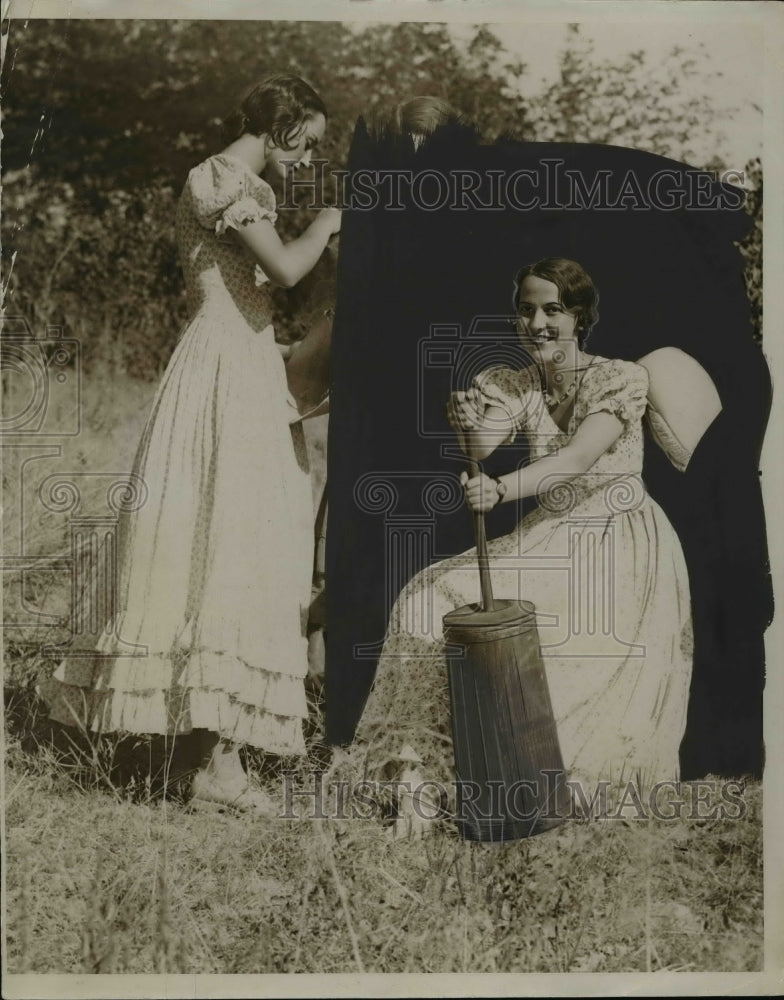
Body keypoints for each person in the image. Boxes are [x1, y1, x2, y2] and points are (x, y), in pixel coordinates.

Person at [39, 74, 342, 813]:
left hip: (243, 360)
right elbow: (285, 267)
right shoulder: (221, 178)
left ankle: (205, 755)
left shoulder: (243, 185)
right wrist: (333, 218)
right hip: (222, 370)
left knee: (234, 544)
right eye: (308, 144)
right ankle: (212, 766)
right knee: (227, 545)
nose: (307, 162)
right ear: (284, 126)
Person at [354, 257, 694, 819]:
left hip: (620, 540)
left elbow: (578, 458)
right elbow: (483, 444)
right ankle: (419, 777)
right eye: (526, 310)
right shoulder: (515, 382)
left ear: (580, 317)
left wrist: (499, 490)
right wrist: (465, 418)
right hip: (552, 533)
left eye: (553, 310)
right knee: (427, 598)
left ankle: (547, 791)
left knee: (564, 648)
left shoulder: (620, 378)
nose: (537, 323)